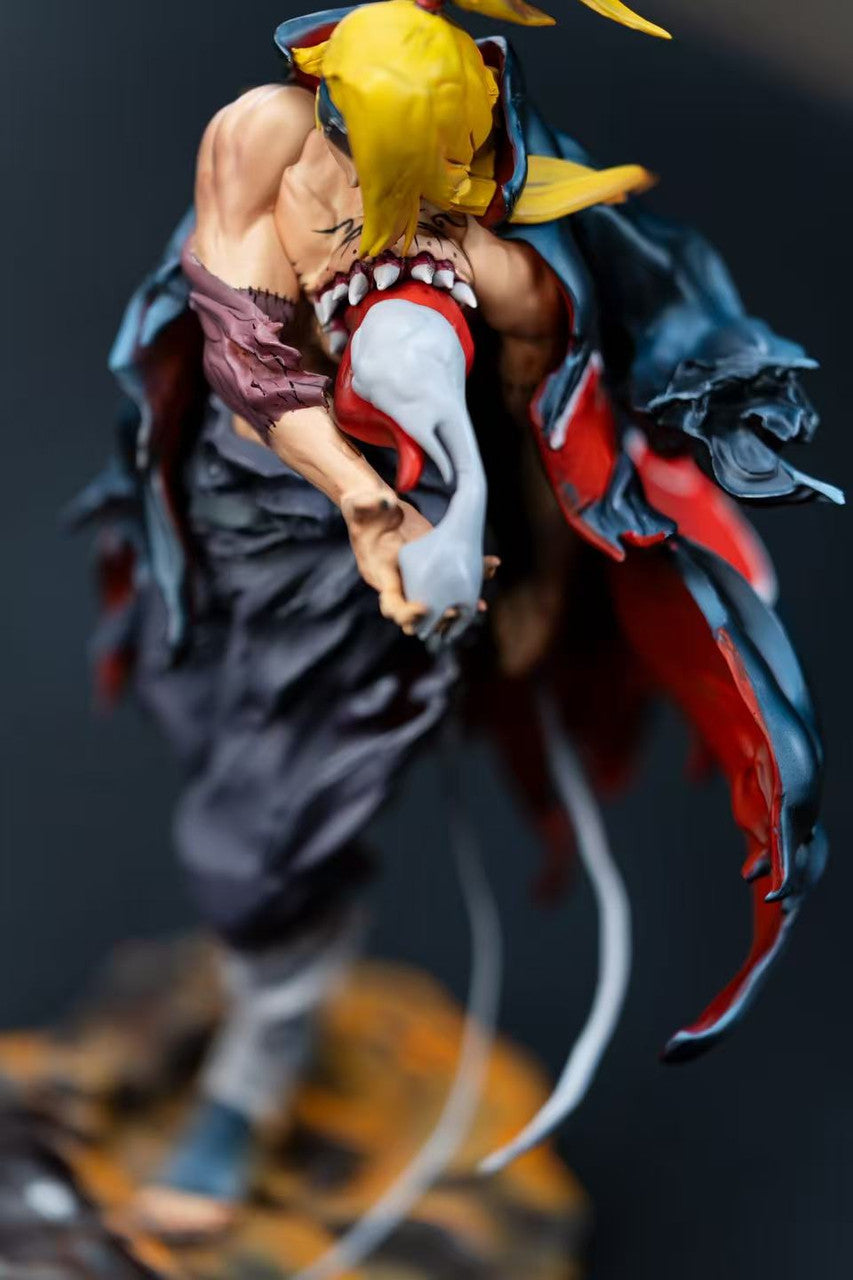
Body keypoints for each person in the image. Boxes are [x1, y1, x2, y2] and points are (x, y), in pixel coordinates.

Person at [72, 0, 838, 1240]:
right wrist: (355, 492)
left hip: (367, 599)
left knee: (275, 837)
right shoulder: (262, 139)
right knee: (201, 744)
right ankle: (258, 971)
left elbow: (543, 432)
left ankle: (251, 1076)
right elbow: (247, 351)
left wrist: (526, 574)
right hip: (230, 517)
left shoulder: (497, 263)